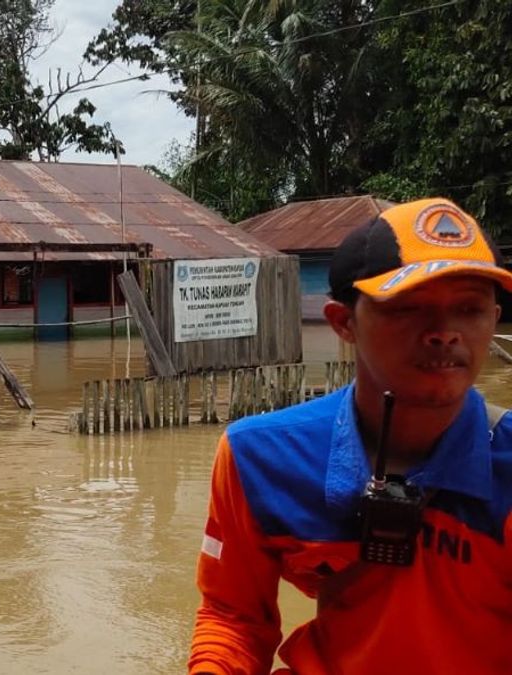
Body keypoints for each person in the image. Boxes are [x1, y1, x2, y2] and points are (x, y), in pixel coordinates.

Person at [189, 198, 512, 674]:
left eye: (469, 309)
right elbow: (232, 616)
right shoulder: (257, 458)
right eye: (410, 308)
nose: (445, 332)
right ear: (343, 323)